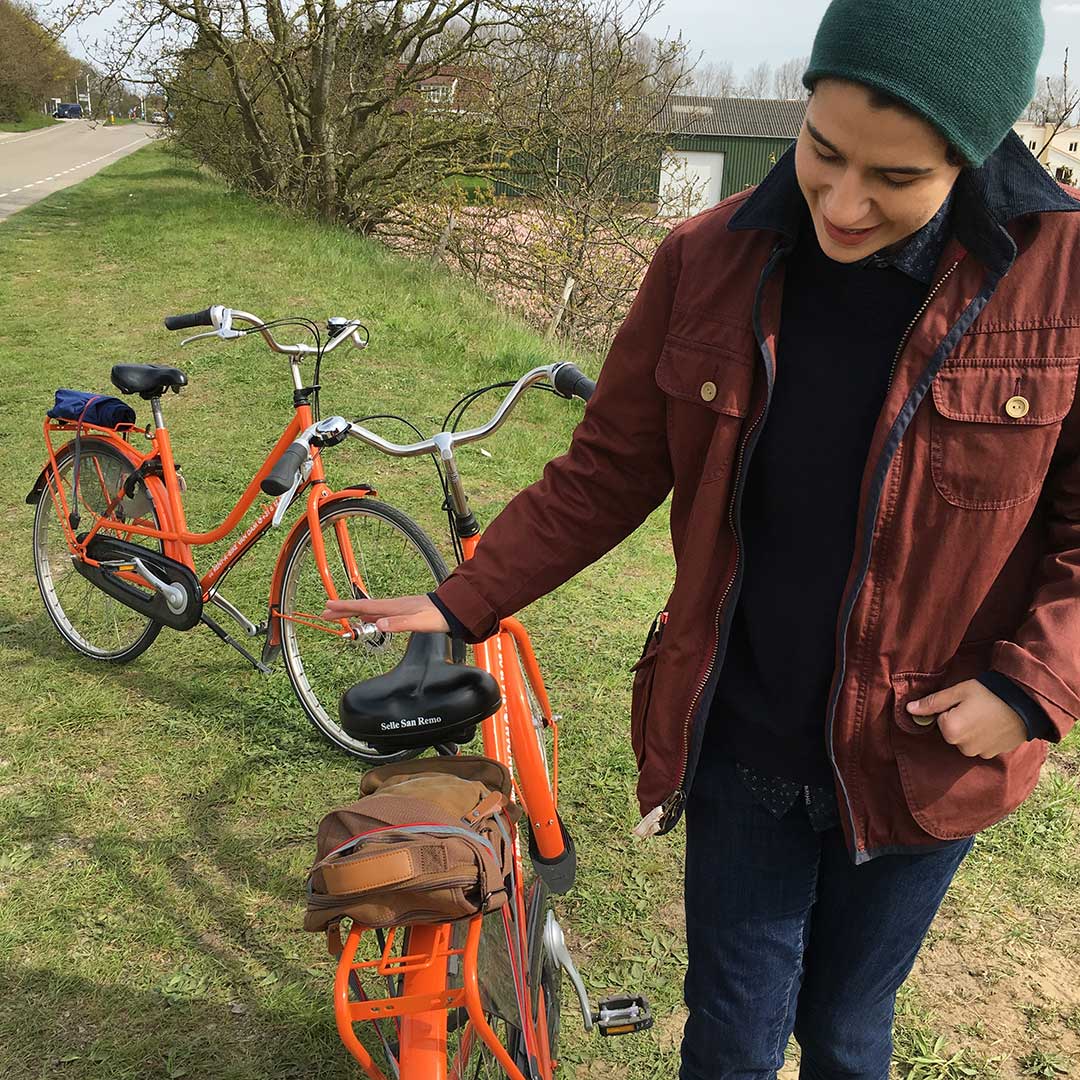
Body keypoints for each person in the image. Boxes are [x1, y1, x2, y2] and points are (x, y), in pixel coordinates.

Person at [323, 1, 1080, 1075]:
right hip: (742, 738)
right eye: (822, 152)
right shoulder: (704, 259)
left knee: (851, 1030)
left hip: (923, 753)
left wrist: (1030, 690)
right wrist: (463, 600)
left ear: (975, 151)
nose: (846, 201)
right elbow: (611, 467)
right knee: (731, 1031)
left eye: (898, 178)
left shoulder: (1063, 276)